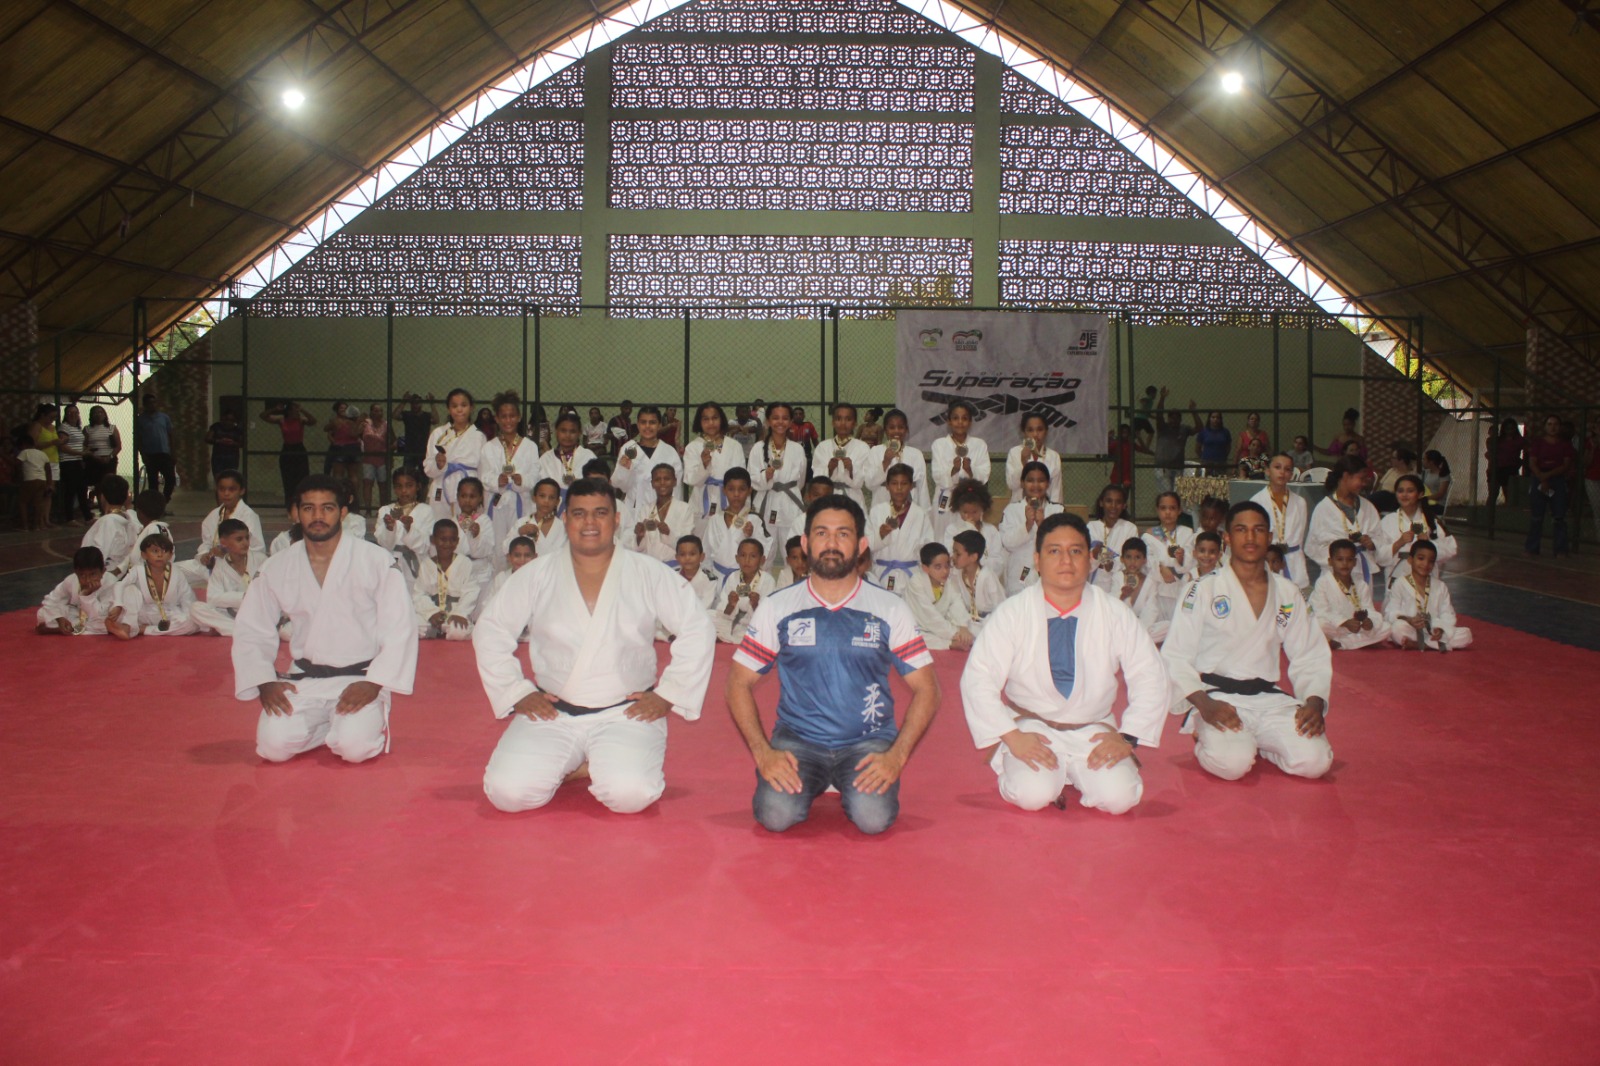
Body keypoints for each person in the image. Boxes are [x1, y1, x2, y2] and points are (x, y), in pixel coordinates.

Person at [472, 477, 715, 814]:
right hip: (553, 712)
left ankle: (594, 764)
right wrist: (516, 691)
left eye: (600, 513)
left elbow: (697, 627)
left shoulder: (648, 572)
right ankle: (584, 764)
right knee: (507, 794)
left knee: (631, 795)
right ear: (565, 519)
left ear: (616, 519)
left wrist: (669, 694)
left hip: (626, 713)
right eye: (579, 513)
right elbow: (491, 629)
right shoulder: (537, 574)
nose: (589, 522)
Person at [726, 493, 940, 836]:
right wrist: (764, 753)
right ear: (806, 543)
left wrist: (895, 757)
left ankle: (846, 777)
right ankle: (816, 777)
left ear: (861, 545)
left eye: (843, 534)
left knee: (873, 819)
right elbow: (738, 682)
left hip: (867, 740)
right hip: (799, 740)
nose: (831, 543)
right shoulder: (779, 607)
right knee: (775, 815)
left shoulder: (889, 608)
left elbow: (928, 689)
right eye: (822, 533)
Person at [960, 512, 1169, 815]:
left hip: (1093, 728)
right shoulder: (1013, 612)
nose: (1066, 561)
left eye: (1076, 551)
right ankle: (1033, 768)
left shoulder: (1114, 612)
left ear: (1089, 558)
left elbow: (1149, 673)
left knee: (1121, 798)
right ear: (1037, 559)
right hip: (1031, 727)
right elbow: (978, 678)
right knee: (1031, 795)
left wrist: (1128, 737)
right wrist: (1013, 737)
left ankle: (1071, 773)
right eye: (1054, 551)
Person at [232, 473, 418, 764]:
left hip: (361, 677)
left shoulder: (375, 560)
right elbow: (252, 628)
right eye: (309, 508)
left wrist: (376, 683)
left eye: (327, 508)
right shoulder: (277, 566)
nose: (318, 516)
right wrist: (264, 680)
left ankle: (356, 724)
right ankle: (326, 726)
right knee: (273, 747)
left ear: (342, 513)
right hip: (305, 679)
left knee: (354, 748)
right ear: (297, 512)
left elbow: (400, 627)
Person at [1163, 501, 1333, 783]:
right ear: (1227, 538)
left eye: (1259, 530)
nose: (1251, 537)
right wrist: (1204, 705)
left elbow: (1310, 653)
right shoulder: (1203, 589)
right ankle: (1206, 733)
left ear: (1270, 537)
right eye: (1241, 530)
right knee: (1233, 764)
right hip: (1218, 697)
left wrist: (1313, 701)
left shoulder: (1288, 592)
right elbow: (1175, 655)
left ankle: (1260, 742)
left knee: (1316, 761)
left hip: (1269, 699)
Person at [479, 391, 539, 561]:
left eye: (512, 416)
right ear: (497, 419)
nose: (508, 421)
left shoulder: (530, 447)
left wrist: (522, 480)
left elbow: (535, 475)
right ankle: (497, 575)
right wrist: (496, 481)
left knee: (520, 544)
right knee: (498, 546)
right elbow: (483, 476)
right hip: (496, 502)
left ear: (519, 417)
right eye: (503, 417)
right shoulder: (489, 447)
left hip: (521, 501)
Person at [1384, 540, 1472, 651]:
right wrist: (1409, 620)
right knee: (1396, 629)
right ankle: (1434, 644)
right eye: (1421, 558)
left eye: (1431, 561)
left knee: (1466, 634)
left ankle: (1421, 645)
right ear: (1410, 560)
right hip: (1411, 628)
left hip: (1433, 630)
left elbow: (1447, 614)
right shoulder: (1400, 583)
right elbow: (1391, 612)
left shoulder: (1440, 586)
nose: (1425, 564)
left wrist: (1441, 628)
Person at [1306, 456, 1381, 586]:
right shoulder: (1324, 508)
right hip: (1334, 574)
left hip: (1362, 571)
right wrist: (1341, 555)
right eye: (1361, 479)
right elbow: (1313, 547)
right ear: (1346, 476)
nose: (1364, 484)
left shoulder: (1367, 507)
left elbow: (1380, 538)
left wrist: (1372, 544)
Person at [107, 532, 199, 638]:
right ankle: (127, 625)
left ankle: (142, 629)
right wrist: (118, 604)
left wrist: (188, 617)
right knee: (130, 589)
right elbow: (119, 585)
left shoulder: (177, 573)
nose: (160, 555)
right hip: (141, 613)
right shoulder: (138, 570)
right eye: (155, 551)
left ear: (170, 555)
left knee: (192, 624)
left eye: (164, 551)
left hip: (167, 613)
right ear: (144, 555)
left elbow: (187, 598)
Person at [1374, 474, 1458, 589]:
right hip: (1397, 575)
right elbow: (1378, 557)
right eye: (1400, 491)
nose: (1404, 495)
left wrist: (1429, 544)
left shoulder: (1431, 521)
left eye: (1410, 491)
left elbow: (1451, 549)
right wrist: (1399, 543)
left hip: (1426, 575)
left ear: (1420, 494)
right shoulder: (1387, 521)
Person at [1309, 539, 1391, 651]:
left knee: (1386, 628)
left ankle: (1341, 644)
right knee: (1318, 624)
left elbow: (1369, 609)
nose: (1345, 564)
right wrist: (1344, 622)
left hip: (1356, 628)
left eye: (1349, 560)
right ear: (1330, 561)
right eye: (1340, 559)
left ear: (1355, 562)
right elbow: (1321, 612)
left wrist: (1369, 621)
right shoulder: (1323, 583)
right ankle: (1357, 642)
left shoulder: (1361, 584)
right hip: (1336, 627)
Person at [866, 464, 934, 594]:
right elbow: (866, 545)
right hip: (881, 574)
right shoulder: (876, 511)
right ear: (887, 486)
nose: (899, 488)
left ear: (911, 486)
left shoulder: (920, 514)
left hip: (911, 575)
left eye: (904, 483)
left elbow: (928, 546)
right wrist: (880, 536)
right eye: (894, 483)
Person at [999, 461, 1063, 595]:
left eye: (1041, 481)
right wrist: (1027, 525)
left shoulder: (1057, 510)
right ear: (1022, 483)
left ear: (1048, 484)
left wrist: (1043, 525)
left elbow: (1062, 542)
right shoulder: (1012, 510)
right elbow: (1007, 543)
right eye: (1030, 481)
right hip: (1021, 572)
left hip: (1050, 570)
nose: (1035, 485)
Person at [190, 519, 260, 636]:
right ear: (223, 542)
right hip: (232, 615)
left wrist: (245, 598)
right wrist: (243, 597)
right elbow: (212, 598)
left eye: (247, 538)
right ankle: (243, 630)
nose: (245, 543)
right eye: (239, 539)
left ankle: (237, 629)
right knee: (196, 608)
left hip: (259, 611)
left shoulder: (261, 560)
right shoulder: (220, 565)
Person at [1251, 454, 1310, 589]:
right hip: (1268, 561)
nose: (1282, 472)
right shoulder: (1256, 501)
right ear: (1267, 470)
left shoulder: (1300, 502)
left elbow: (1300, 537)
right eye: (1277, 467)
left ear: (1291, 474)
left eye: (1287, 469)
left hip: (1294, 561)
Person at [929, 399, 990, 530]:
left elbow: (985, 475)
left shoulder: (980, 444)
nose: (960, 422)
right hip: (946, 496)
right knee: (942, 533)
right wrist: (953, 470)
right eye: (955, 418)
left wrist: (970, 470)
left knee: (970, 534)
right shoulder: (939, 444)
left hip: (971, 499)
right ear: (949, 421)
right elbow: (937, 474)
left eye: (964, 418)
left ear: (970, 422)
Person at [414, 519, 479, 641]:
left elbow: (471, 592)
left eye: (452, 540)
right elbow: (419, 594)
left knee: (458, 630)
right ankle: (435, 629)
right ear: (433, 540)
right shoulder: (426, 564)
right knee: (413, 625)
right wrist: (431, 613)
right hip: (433, 614)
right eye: (443, 539)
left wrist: (459, 613)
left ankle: (440, 631)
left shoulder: (464, 563)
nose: (448, 544)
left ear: (457, 541)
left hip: (455, 613)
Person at [681, 402, 745, 524]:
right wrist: (703, 466)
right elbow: (690, 479)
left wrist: (743, 509)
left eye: (715, 418)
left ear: (721, 419)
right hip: (701, 503)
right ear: (699, 422)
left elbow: (742, 479)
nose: (711, 423)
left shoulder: (735, 446)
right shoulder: (693, 447)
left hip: (729, 502)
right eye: (706, 419)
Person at [904, 542, 974, 651]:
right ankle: (950, 644)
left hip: (940, 628)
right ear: (925, 568)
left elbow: (957, 604)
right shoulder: (916, 583)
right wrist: (955, 634)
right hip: (917, 626)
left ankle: (954, 640)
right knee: (913, 636)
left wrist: (963, 626)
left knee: (974, 629)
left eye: (947, 566)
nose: (945, 571)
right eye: (938, 567)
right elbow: (929, 617)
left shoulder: (948, 583)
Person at [702, 467, 769, 581]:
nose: (736, 494)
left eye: (742, 489)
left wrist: (751, 536)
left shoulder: (755, 520)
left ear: (749, 490)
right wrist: (709, 577)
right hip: (717, 578)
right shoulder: (714, 520)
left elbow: (764, 554)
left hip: (744, 579)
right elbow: (706, 553)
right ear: (724, 490)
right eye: (731, 489)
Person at [611, 405, 683, 511]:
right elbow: (620, 486)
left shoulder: (670, 452)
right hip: (634, 509)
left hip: (662, 509)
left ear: (659, 425)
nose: (647, 426)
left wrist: (674, 512)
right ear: (638, 425)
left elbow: (676, 488)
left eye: (652, 422)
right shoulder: (628, 448)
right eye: (643, 422)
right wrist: (624, 469)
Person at [750, 403, 808, 535]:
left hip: (790, 503)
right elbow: (752, 478)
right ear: (768, 421)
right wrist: (765, 476)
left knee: (791, 544)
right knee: (764, 544)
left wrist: (785, 488)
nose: (780, 422)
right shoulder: (758, 448)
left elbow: (800, 481)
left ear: (791, 422)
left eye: (785, 418)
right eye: (775, 418)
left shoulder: (798, 449)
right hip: (765, 502)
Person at [373, 466, 434, 591]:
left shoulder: (426, 511)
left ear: (418, 486)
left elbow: (425, 545)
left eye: (409, 485)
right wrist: (390, 529)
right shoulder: (385, 510)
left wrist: (409, 529)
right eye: (399, 486)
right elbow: (383, 544)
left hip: (417, 564)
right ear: (394, 488)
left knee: (415, 598)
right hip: (391, 562)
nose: (404, 491)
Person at [424, 388, 486, 510]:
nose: (459, 409)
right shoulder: (438, 433)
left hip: (468, 491)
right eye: (454, 406)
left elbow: (483, 469)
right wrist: (439, 465)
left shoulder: (479, 436)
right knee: (439, 522)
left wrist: (481, 494)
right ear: (449, 409)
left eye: (464, 405)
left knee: (467, 522)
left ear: (471, 407)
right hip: (441, 486)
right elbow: (428, 467)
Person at [1524, 414, 1575, 556]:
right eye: (1550, 424)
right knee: (1536, 517)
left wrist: (1549, 475)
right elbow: (1532, 462)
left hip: (1557, 480)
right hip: (1539, 478)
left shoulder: (1565, 445)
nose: (1553, 427)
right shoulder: (1538, 443)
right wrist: (1542, 477)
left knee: (1559, 517)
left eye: (1556, 424)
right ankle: (1532, 548)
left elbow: (1565, 464)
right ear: (1545, 427)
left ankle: (1560, 549)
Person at [37, 547, 116, 636]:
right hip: (77, 615)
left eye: (93, 574)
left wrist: (87, 595)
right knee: (42, 613)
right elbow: (50, 601)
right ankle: (67, 627)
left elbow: (102, 614)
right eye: (82, 575)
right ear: (76, 572)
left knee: (106, 623)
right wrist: (59, 619)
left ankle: (60, 629)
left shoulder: (110, 583)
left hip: (99, 618)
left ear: (103, 571)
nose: (87, 580)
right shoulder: (71, 580)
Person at [862, 408, 929, 512]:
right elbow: (869, 483)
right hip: (882, 506)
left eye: (901, 427)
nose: (896, 431)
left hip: (911, 508)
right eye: (892, 427)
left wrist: (925, 512)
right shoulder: (876, 451)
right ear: (885, 430)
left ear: (906, 430)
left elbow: (922, 486)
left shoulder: (916, 454)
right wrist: (885, 462)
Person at [1142, 490, 1197, 608]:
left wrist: (1182, 559)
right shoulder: (1149, 535)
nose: (1168, 512)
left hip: (1181, 588)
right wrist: (1161, 568)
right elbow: (1147, 561)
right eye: (1163, 508)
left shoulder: (1187, 532)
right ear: (1157, 510)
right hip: (1157, 589)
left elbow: (1192, 561)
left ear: (1179, 510)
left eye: (1172, 508)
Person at [629, 464, 694, 563]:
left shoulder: (685, 509)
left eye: (667, 479)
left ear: (675, 482)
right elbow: (637, 547)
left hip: (675, 566)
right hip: (650, 565)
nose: (662, 483)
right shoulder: (645, 509)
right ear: (652, 484)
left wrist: (669, 533)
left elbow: (687, 546)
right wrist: (639, 536)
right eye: (657, 480)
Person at [714, 538, 774, 644]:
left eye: (753, 556)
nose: (747, 560)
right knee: (708, 616)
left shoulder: (768, 580)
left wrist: (755, 604)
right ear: (737, 558)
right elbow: (725, 613)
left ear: (762, 560)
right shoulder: (733, 577)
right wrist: (731, 604)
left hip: (753, 624)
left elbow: (767, 616)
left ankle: (728, 638)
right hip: (730, 621)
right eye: (742, 555)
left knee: (764, 633)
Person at [811, 403, 871, 507]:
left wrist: (851, 470)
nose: (843, 423)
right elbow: (817, 478)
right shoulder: (822, 447)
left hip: (853, 497)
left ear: (855, 423)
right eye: (838, 419)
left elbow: (864, 478)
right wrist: (829, 470)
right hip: (828, 496)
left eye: (848, 419)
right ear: (833, 422)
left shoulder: (863, 447)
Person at [539, 410, 599, 512]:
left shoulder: (588, 457)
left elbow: (596, 487)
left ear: (579, 433)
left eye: (572, 431)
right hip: (551, 511)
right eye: (563, 431)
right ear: (556, 431)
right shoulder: (546, 459)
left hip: (582, 509)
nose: (567, 435)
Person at [944, 478, 1006, 574]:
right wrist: (969, 528)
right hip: (960, 578)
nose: (970, 516)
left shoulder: (991, 531)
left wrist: (980, 565)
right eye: (965, 512)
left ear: (983, 509)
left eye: (974, 512)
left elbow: (998, 561)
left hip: (986, 577)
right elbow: (951, 558)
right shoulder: (952, 530)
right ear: (959, 509)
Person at [82, 475, 139, 579]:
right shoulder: (130, 520)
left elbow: (95, 557)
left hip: (107, 578)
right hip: (124, 576)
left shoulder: (107, 523)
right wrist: (128, 506)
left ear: (102, 497)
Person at [1086, 483, 1138, 594]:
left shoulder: (1130, 528)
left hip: (1120, 585)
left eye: (1118, 502)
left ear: (1124, 505)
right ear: (1101, 503)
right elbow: (1086, 561)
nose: (1113, 506)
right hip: (1096, 585)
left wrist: (1112, 563)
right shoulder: (1092, 527)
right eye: (1109, 501)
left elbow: (1132, 559)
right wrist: (1095, 554)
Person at [949, 529, 1004, 632]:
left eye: (958, 554)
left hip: (991, 625)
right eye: (953, 552)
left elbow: (1001, 608)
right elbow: (956, 604)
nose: (953, 557)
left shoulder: (987, 576)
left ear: (973, 557)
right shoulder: (956, 574)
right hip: (968, 622)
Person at [260, 400, 312, 505]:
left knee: (302, 476)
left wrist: (302, 410)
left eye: (297, 410)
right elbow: (263, 416)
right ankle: (289, 503)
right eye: (294, 410)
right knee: (288, 478)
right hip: (287, 449)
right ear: (289, 411)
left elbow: (313, 421)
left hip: (299, 448)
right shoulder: (282, 419)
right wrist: (275, 409)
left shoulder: (301, 420)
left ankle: (302, 501)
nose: (296, 412)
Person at [1006, 412, 1064, 505]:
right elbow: (1012, 485)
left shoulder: (1053, 456)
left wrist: (1056, 509)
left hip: (1046, 507)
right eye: (1030, 430)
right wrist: (1023, 462)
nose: (1035, 434)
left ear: (1046, 431)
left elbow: (1056, 491)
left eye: (1040, 429)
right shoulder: (1014, 453)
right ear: (1024, 432)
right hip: (1019, 506)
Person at [1152, 389, 1200, 493]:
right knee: (1167, 493)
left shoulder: (1184, 429)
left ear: (1180, 419)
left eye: (1176, 418)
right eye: (1171, 418)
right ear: (1168, 418)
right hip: (1163, 467)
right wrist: (1162, 398)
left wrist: (1194, 412)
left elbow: (1199, 428)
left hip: (1178, 466)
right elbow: (1159, 414)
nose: (1174, 420)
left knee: (1177, 495)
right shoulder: (1163, 427)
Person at [1118, 538, 1167, 641]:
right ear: (1122, 559)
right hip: (1120, 625)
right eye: (1128, 557)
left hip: (1141, 628)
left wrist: (1138, 632)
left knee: (1168, 626)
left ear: (1144, 560)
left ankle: (1136, 639)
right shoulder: (1117, 577)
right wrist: (1123, 597)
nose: (1132, 561)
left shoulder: (1150, 581)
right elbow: (1112, 607)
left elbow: (1151, 610)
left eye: (1137, 557)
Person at [507, 478, 567, 560]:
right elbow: (506, 548)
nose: (546, 501)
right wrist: (519, 532)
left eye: (551, 497)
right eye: (542, 496)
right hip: (529, 568)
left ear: (557, 501)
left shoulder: (564, 528)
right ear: (534, 498)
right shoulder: (522, 523)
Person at [131, 395, 175, 500]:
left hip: (164, 453)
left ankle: (165, 498)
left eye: (154, 402)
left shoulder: (164, 417)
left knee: (170, 478)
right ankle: (155, 502)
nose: (152, 405)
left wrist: (173, 452)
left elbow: (171, 435)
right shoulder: (141, 419)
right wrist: (143, 454)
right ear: (145, 405)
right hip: (150, 454)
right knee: (153, 481)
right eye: (149, 403)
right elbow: (138, 438)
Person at [55, 404, 91, 525]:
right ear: (66, 415)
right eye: (70, 413)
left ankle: (87, 516)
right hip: (68, 461)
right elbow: (62, 447)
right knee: (71, 489)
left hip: (78, 461)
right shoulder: (64, 427)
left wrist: (84, 452)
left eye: (75, 412)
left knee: (82, 488)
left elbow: (79, 444)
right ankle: (69, 518)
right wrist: (79, 453)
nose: (73, 415)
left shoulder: (77, 428)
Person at [358, 404, 391, 511]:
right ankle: (368, 509)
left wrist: (387, 451)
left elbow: (394, 441)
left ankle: (382, 510)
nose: (378, 413)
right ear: (371, 412)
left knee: (383, 485)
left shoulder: (386, 425)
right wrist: (359, 421)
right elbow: (354, 434)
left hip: (382, 458)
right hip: (368, 458)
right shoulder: (366, 424)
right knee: (367, 483)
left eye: (380, 411)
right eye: (375, 411)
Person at [17, 434, 52, 531]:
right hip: (42, 480)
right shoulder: (42, 453)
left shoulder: (24, 452)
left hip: (30, 479)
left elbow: (16, 464)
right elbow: (48, 470)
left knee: (23, 502)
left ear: (23, 444)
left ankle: (25, 526)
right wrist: (49, 484)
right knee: (38, 504)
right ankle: (36, 526)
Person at [393, 392, 438, 469]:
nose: (415, 405)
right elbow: (395, 415)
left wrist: (432, 403)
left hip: (423, 449)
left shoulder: (426, 416)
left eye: (417, 403)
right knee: (408, 472)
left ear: (421, 404)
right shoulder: (407, 415)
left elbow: (436, 420)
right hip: (409, 449)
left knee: (424, 472)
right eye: (413, 403)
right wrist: (403, 401)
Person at [83, 405, 122, 492]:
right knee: (97, 483)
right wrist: (94, 456)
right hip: (94, 459)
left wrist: (109, 457)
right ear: (91, 415)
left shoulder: (112, 428)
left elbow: (118, 446)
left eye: (100, 412)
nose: (98, 415)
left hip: (109, 459)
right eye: (95, 413)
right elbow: (84, 446)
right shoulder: (87, 429)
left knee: (109, 483)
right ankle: (95, 495)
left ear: (105, 414)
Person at [673, 535, 717, 610]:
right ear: (677, 557)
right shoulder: (671, 575)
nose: (687, 558)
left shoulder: (710, 579)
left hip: (698, 614)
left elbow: (705, 606)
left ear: (701, 557)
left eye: (692, 554)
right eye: (682, 554)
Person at [205, 408, 245, 487]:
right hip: (218, 455)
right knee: (218, 477)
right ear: (223, 419)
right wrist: (219, 441)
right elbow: (207, 438)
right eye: (227, 419)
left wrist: (233, 443)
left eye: (231, 420)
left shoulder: (237, 430)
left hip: (232, 456)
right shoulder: (216, 427)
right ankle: (220, 490)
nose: (229, 422)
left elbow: (242, 443)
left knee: (230, 477)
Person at [1489, 417, 1523, 507]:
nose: (1509, 430)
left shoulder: (1518, 440)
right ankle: (1489, 511)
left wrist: (1520, 462)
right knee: (1493, 493)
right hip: (1498, 468)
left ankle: (1509, 510)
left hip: (1511, 468)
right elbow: (1490, 451)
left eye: (1512, 428)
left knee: (1509, 493)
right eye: (1507, 428)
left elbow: (1528, 451)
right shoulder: (1499, 440)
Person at [1194, 410, 1232, 476]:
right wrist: (1203, 458)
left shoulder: (1225, 432)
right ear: (1209, 419)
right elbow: (1197, 448)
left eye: (1218, 417)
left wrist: (1223, 457)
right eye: (1213, 417)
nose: (1215, 419)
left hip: (1221, 462)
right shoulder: (1203, 432)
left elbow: (1228, 447)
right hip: (1206, 462)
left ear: (1220, 419)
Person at [1107, 424, 1136, 492]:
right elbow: (1106, 450)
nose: (1125, 435)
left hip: (1127, 475)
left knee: (1125, 493)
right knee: (1115, 492)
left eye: (1126, 433)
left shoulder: (1130, 444)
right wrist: (1108, 438)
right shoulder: (1116, 443)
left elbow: (1143, 449)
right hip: (1117, 474)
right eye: (1123, 432)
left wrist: (1139, 438)